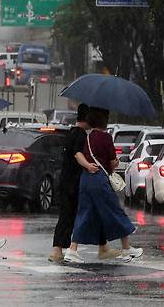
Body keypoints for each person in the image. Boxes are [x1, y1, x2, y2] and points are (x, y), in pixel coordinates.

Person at [63, 107, 143, 264]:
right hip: (100, 180)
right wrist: (115, 163)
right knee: (115, 210)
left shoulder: (86, 137)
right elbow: (112, 163)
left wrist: (87, 166)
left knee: (84, 213)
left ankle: (72, 249)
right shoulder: (106, 138)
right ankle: (126, 247)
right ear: (104, 121)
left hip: (86, 179)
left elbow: (77, 153)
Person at [49, 104, 120, 263]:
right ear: (88, 118)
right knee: (79, 214)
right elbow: (77, 154)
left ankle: (60, 250)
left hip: (65, 180)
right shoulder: (81, 135)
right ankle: (65, 250)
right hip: (76, 182)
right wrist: (88, 165)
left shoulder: (71, 133)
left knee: (73, 215)